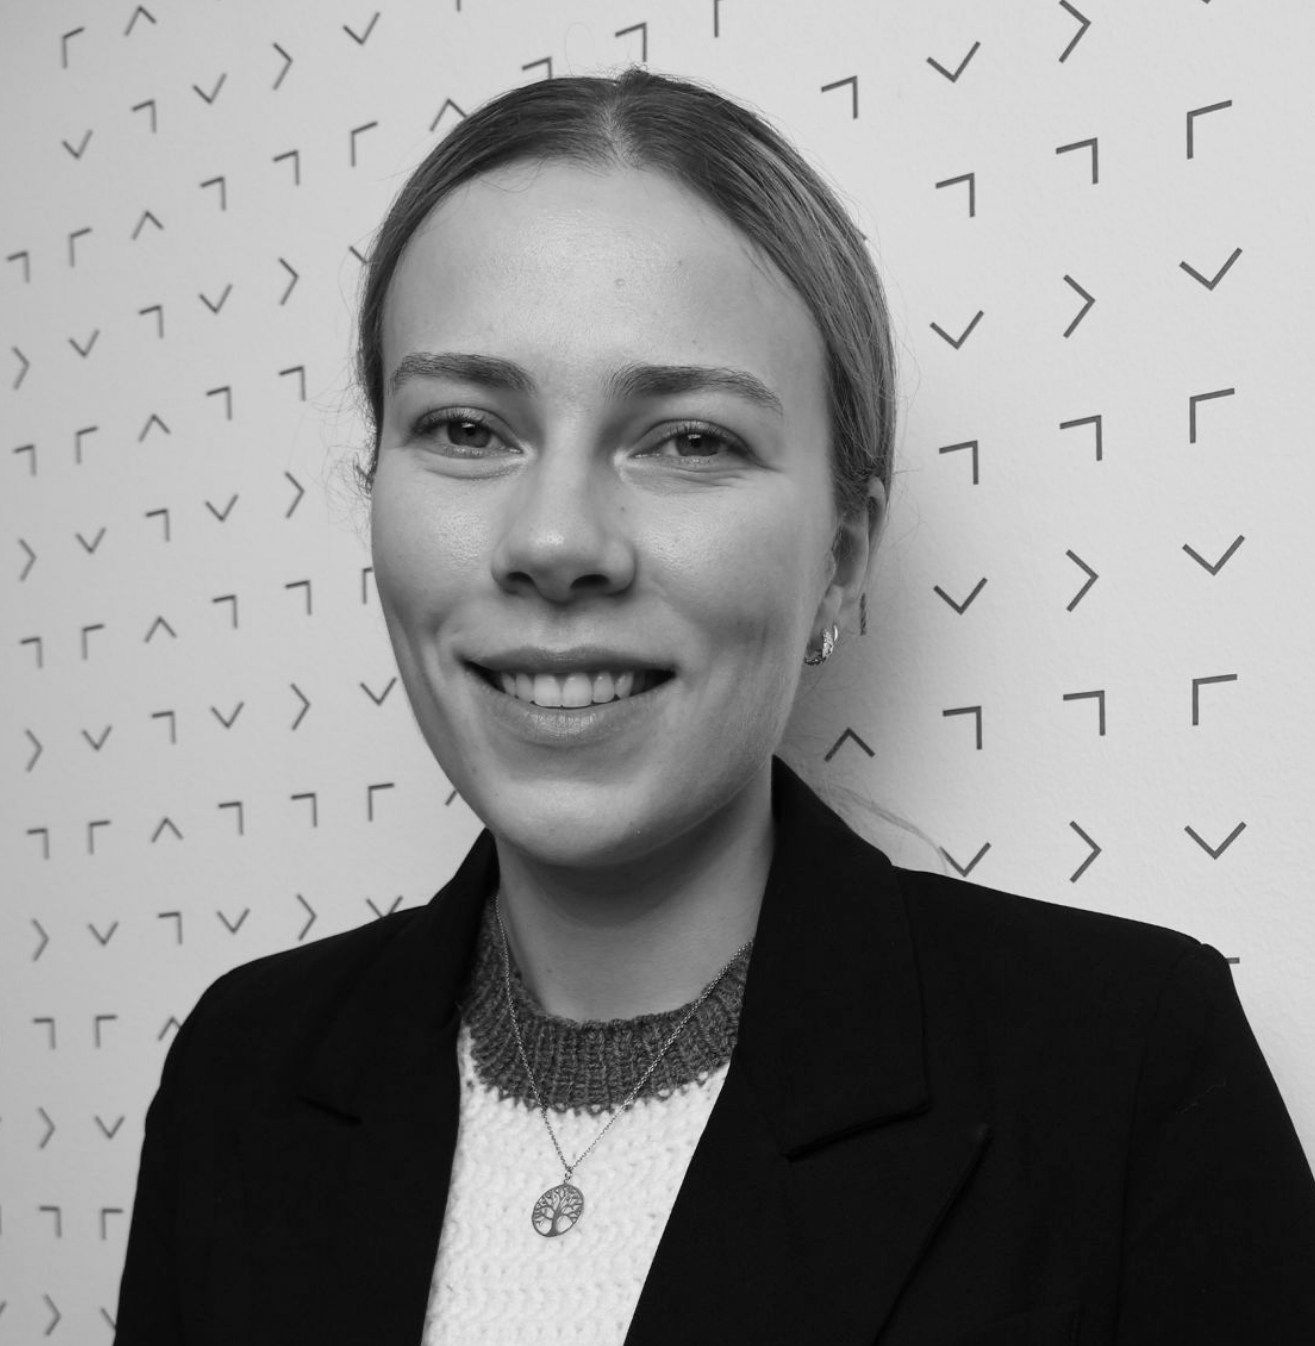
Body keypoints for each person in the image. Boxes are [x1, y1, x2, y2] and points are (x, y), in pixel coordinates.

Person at [114, 67, 1315, 1344]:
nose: (555, 539)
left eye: (689, 439)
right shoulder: (239, 1066)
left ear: (840, 555)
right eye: (466, 427)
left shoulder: (1125, 1069)